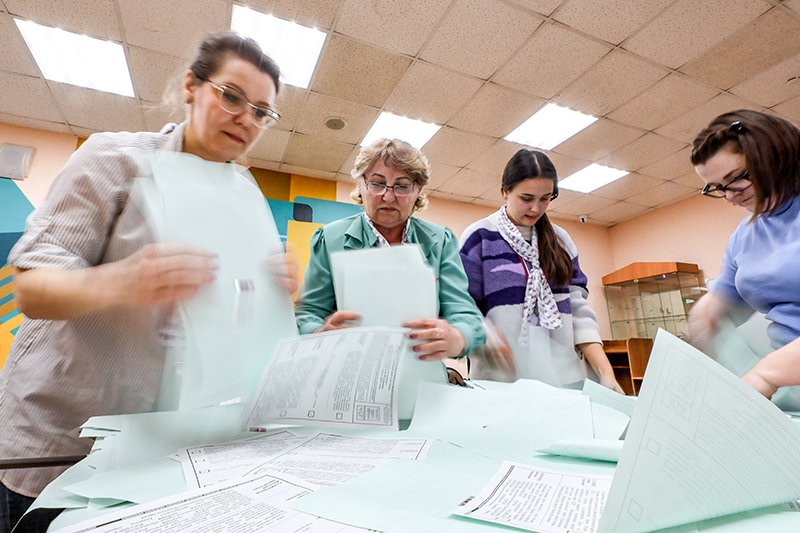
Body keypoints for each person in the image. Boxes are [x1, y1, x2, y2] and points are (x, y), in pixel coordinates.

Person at [0, 32, 295, 532]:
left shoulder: (245, 194)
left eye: (262, 112)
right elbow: (31, 289)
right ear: (191, 86)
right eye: (231, 96)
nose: (246, 118)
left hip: (153, 447)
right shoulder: (113, 159)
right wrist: (124, 280)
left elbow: (222, 320)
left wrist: (266, 291)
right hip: (56, 437)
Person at [294, 138, 485, 361]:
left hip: (419, 368)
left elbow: (466, 314)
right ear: (361, 185)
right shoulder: (330, 239)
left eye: (403, 186)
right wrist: (319, 333)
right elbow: (306, 314)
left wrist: (459, 337)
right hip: (349, 367)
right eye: (377, 183)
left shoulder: (440, 241)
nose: (388, 196)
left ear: (418, 191)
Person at [459, 148, 623, 392]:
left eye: (545, 198)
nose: (536, 208)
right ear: (505, 190)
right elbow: (462, 304)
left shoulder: (560, 240)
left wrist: (606, 374)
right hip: (500, 382)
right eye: (526, 198)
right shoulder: (479, 237)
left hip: (563, 379)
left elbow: (578, 311)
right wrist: (487, 337)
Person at [688, 109, 800, 402]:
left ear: (774, 155)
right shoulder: (744, 236)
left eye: (735, 178)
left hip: (780, 375)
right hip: (789, 384)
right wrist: (710, 307)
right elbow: (729, 291)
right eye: (716, 187)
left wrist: (767, 374)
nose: (729, 195)